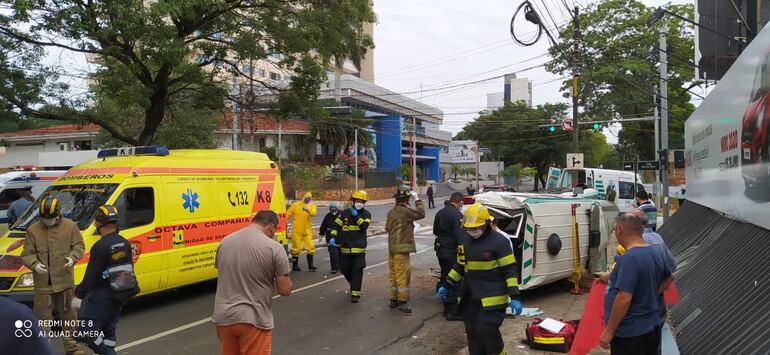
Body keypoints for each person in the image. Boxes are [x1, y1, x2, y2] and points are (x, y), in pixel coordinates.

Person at [446, 203, 522, 355]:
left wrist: (514, 296)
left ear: (487, 223)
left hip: (493, 296)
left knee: (487, 330)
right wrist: (446, 284)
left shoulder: (500, 242)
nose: (473, 231)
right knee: (473, 333)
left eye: (476, 228)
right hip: (470, 297)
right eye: (470, 228)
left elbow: (509, 270)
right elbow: (460, 267)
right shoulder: (465, 242)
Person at [213, 210, 292, 355]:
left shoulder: (225, 242)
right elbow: (284, 290)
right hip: (254, 318)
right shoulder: (274, 248)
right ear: (272, 227)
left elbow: (223, 271)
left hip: (224, 317)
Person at [599, 213, 674, 354]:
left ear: (619, 229)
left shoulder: (629, 259)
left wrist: (608, 331)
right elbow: (669, 277)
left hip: (630, 334)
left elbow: (624, 298)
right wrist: (650, 293)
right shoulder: (654, 251)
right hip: (651, 326)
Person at [20, 195, 85, 355]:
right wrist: (35, 264)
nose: (48, 222)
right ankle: (43, 349)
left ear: (58, 214)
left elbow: (79, 245)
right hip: (43, 284)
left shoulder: (70, 227)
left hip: (64, 280)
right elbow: (27, 254)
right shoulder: (33, 230)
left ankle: (72, 348)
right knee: (42, 319)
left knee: (69, 315)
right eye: (44, 219)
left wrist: (72, 257)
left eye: (51, 218)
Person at [72, 205, 139, 355]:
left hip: (102, 295)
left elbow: (91, 275)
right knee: (108, 332)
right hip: (121, 292)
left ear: (97, 223)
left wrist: (79, 295)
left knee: (84, 332)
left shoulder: (100, 246)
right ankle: (108, 349)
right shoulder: (124, 242)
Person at [385, 187, 426, 313]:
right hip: (402, 250)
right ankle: (403, 302)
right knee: (402, 275)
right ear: (406, 200)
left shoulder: (391, 212)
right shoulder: (406, 212)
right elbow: (421, 213)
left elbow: (387, 228)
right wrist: (417, 199)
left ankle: (393, 300)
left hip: (392, 248)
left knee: (393, 275)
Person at [329, 190, 372, 303]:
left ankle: (355, 294)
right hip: (345, 249)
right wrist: (332, 237)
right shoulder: (345, 213)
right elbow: (335, 226)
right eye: (357, 201)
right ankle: (353, 284)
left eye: (362, 202)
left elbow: (364, 226)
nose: (359, 203)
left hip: (359, 250)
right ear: (353, 201)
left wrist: (356, 216)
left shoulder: (366, 214)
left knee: (357, 271)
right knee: (345, 269)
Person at [433, 192, 465, 321]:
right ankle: (452, 311)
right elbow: (460, 236)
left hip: (440, 249)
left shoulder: (439, 213)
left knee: (445, 276)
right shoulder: (457, 215)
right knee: (454, 280)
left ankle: (447, 309)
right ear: (460, 202)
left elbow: (435, 230)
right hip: (451, 250)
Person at [286, 192, 318, 271]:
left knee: (310, 247)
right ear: (303, 197)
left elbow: (313, 214)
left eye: (309, 198)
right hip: (297, 230)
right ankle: (295, 265)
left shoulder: (311, 206)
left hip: (307, 230)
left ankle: (311, 265)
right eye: (306, 197)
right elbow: (287, 215)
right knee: (296, 248)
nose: (307, 199)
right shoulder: (295, 205)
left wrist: (308, 210)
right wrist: (283, 224)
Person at [319, 202, 341, 274]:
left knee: (341, 253)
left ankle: (341, 267)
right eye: (331, 208)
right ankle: (334, 268)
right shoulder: (327, 216)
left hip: (340, 237)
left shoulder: (342, 214)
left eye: (334, 207)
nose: (333, 209)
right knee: (333, 253)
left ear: (337, 208)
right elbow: (323, 226)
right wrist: (321, 235)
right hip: (330, 237)